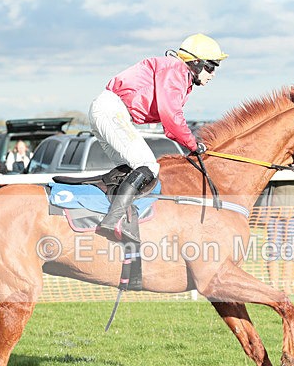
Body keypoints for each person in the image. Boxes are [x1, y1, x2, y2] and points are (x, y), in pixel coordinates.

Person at [89, 33, 227, 243]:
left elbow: (169, 123)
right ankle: (111, 222)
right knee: (148, 166)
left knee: (132, 171)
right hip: (112, 111)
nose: (213, 73)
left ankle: (123, 221)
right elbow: (171, 116)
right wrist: (193, 144)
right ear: (196, 63)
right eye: (210, 66)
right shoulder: (177, 70)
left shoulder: (178, 73)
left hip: (108, 110)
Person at [264, 180, 294, 289]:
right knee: (273, 251)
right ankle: (274, 285)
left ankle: (287, 286)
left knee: (289, 252)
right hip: (274, 216)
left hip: (293, 216)